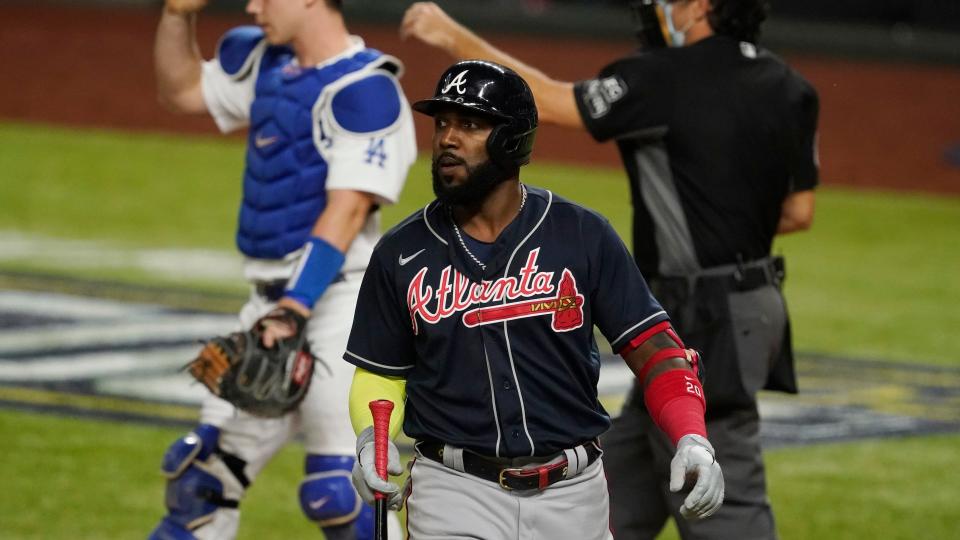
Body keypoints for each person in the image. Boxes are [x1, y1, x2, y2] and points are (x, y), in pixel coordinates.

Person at [400, 1, 819, 539]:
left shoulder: (660, 77)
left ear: (699, 7)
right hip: (756, 304)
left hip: (701, 311)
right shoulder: (789, 85)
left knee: (719, 478)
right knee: (627, 472)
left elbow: (544, 102)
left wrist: (449, 33)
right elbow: (797, 213)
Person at [343, 59, 724, 540]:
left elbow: (656, 350)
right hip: (453, 493)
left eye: (470, 124)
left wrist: (692, 436)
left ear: (512, 140)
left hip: (574, 496)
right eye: (442, 124)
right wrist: (369, 439)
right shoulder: (401, 252)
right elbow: (379, 373)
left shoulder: (581, 235)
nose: (447, 139)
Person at [150, 0, 416, 538]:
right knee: (200, 482)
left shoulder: (367, 91)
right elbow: (180, 91)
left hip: (343, 305)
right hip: (273, 302)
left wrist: (295, 308)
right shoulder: (268, 65)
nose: (252, 5)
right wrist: (177, 15)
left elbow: (348, 209)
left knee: (339, 493)